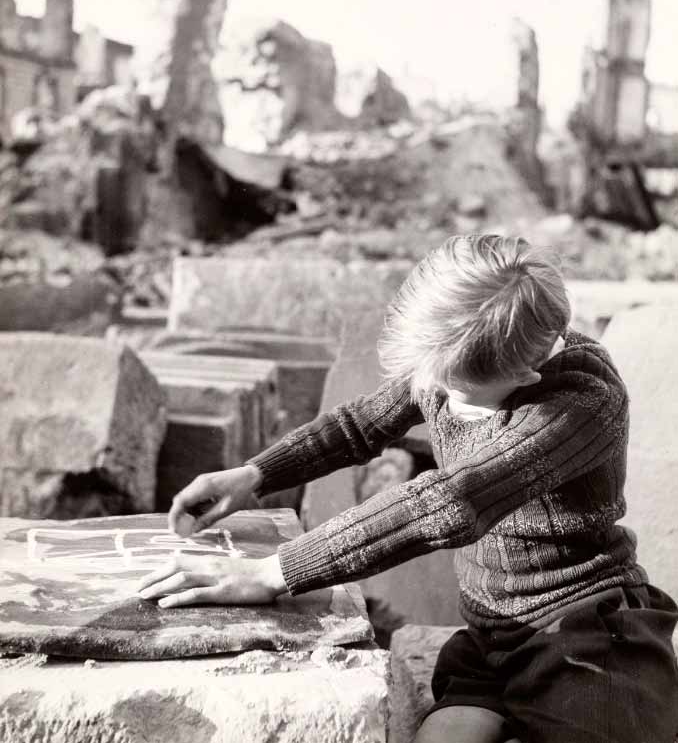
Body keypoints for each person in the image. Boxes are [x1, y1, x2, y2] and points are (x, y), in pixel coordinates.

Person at [138, 234, 678, 743]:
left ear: (528, 374)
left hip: (587, 627)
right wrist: (255, 475)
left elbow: (445, 503)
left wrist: (272, 572)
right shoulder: (456, 362)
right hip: (493, 635)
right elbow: (358, 426)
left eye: (455, 391)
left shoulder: (579, 404)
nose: (434, 396)